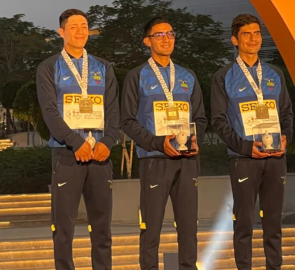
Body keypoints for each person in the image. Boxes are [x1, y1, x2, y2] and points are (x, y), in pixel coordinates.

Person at [120, 17, 207, 270]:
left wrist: (195, 140)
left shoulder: (187, 76)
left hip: (187, 160)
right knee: (151, 229)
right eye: (159, 35)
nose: (166, 39)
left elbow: (200, 117)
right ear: (147, 41)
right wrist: (158, 143)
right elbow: (127, 120)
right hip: (154, 161)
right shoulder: (136, 76)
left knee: (189, 229)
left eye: (170, 34)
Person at [36, 9, 119, 270]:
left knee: (103, 228)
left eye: (84, 26)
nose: (81, 31)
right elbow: (50, 112)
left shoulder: (103, 67)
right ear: (61, 32)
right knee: (63, 229)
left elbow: (113, 110)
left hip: (100, 155)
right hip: (67, 155)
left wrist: (108, 141)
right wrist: (76, 142)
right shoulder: (49, 67)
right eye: (74, 27)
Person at [211, 14, 294, 270]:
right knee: (244, 223)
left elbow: (287, 114)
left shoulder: (274, 73)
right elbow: (219, 121)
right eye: (246, 34)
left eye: (257, 33)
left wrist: (285, 139)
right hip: (244, 159)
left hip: (275, 158)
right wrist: (246, 147)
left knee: (273, 223)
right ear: (234, 40)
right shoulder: (223, 76)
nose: (253, 39)